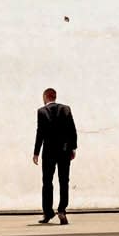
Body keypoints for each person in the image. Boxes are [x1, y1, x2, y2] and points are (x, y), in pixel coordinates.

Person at [32, 87, 77, 224]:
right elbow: (72, 130)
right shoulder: (66, 109)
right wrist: (73, 148)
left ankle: (48, 212)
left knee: (47, 182)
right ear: (55, 97)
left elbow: (40, 132)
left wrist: (36, 152)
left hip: (49, 152)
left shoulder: (41, 111)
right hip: (64, 151)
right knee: (64, 181)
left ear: (46, 97)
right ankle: (62, 211)